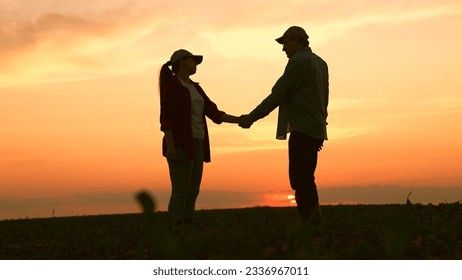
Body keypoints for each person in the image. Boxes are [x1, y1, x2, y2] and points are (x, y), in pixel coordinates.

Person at [239, 26, 329, 225]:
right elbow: (324, 98)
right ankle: (313, 222)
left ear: (297, 41)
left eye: (286, 43)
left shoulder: (299, 62)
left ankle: (311, 224)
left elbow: (279, 94)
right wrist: (321, 128)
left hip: (303, 127)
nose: (283, 49)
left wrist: (251, 117)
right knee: (305, 176)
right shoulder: (320, 63)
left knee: (301, 179)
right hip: (315, 127)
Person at [159, 49, 241, 226]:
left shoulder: (195, 87)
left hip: (198, 143)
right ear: (182, 62)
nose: (195, 64)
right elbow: (166, 120)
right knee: (181, 190)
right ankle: (175, 226)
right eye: (193, 60)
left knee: (193, 190)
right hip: (180, 144)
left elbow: (213, 112)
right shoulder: (172, 87)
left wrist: (240, 120)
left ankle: (187, 223)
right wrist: (171, 147)